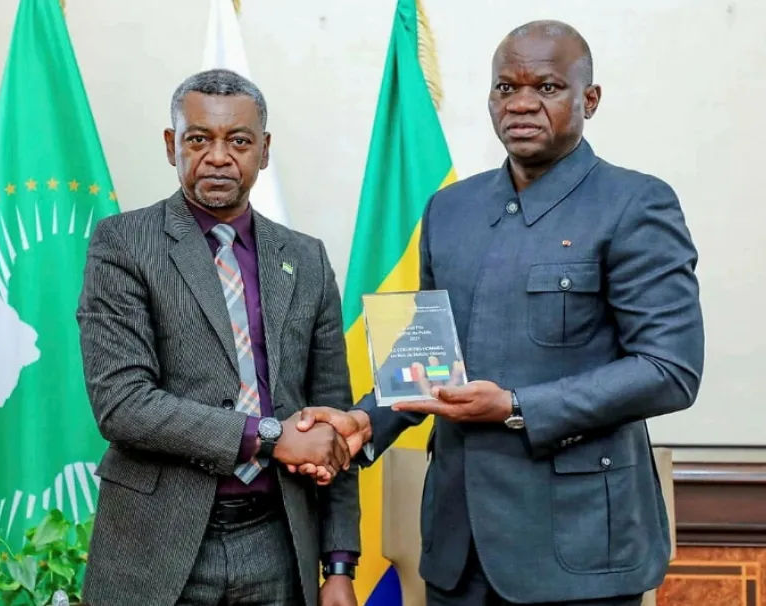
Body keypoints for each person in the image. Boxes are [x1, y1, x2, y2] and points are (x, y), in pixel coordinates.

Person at [292, 20, 704, 606]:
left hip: (579, 550)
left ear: (590, 100)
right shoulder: (450, 209)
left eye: (548, 87)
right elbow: (432, 356)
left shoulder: (636, 203)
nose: (523, 104)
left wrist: (515, 407)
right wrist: (367, 421)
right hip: (457, 547)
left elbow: (670, 369)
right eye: (505, 88)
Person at [76, 69, 360, 606]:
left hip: (278, 542)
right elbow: (122, 404)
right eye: (198, 139)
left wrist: (340, 564)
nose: (218, 156)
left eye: (239, 140)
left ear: (265, 150)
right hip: (157, 545)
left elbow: (331, 417)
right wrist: (271, 435)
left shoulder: (307, 259)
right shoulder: (123, 244)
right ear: (171, 145)